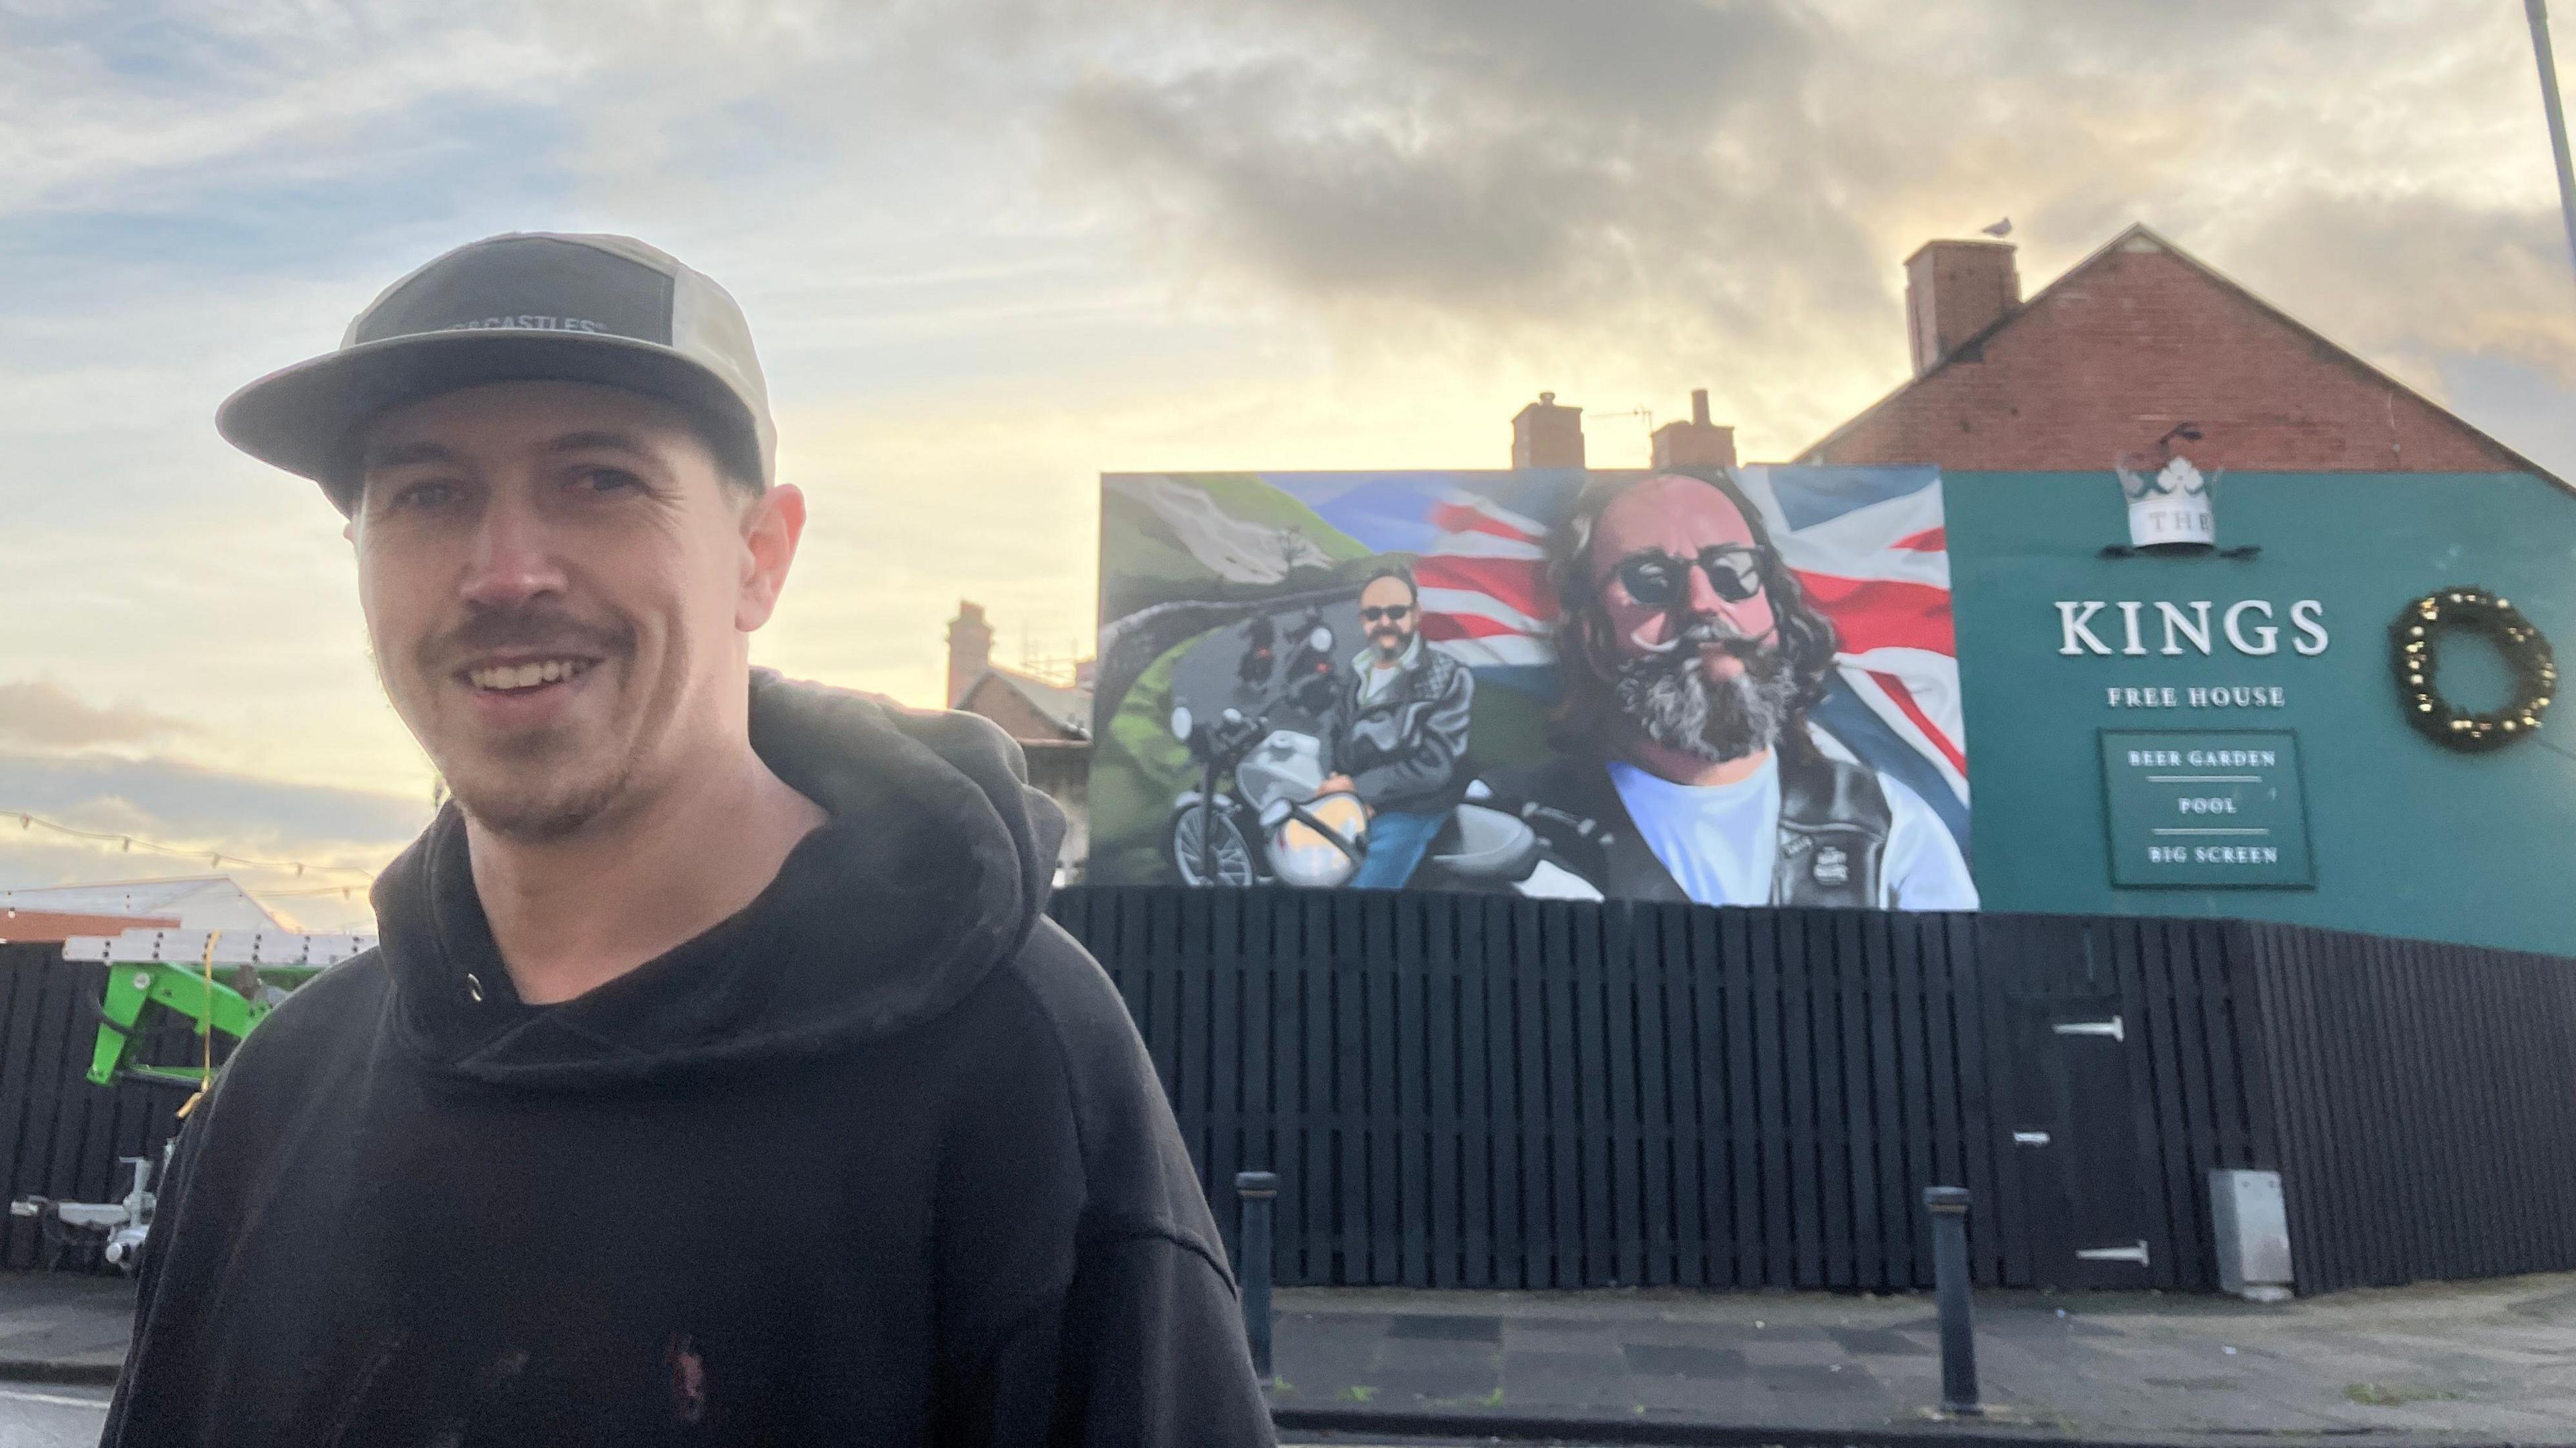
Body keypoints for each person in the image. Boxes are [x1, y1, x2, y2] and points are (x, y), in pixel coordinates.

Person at [105, 233, 1275, 1445]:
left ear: (759, 557)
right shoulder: (281, 1094)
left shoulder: (1013, 1064)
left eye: (599, 478)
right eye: (427, 494)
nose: (504, 573)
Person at [1505, 470, 1976, 909]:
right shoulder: (1508, 829)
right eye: (1651, 580)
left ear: (1773, 607)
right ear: (1594, 639)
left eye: (1731, 570)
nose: (1703, 603)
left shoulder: (1889, 827)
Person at [1316, 563, 1474, 889]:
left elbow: (1435, 766)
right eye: (1374, 614)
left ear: (1416, 614)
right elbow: (1333, 732)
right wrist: (1336, 780)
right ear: (1362, 620)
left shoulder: (1448, 677)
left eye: (1396, 611)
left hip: (1413, 808)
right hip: (1354, 798)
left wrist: (1359, 789)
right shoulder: (1357, 670)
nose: (1384, 622)